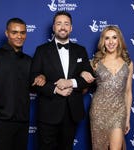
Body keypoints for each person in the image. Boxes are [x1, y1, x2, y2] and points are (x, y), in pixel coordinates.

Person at [0, 18, 45, 150]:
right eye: (14, 32)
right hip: (2, 122)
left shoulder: (29, 61)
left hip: (23, 123)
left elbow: (33, 88)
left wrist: (41, 77)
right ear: (7, 33)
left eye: (22, 33)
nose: (19, 36)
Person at [31, 11, 95, 150]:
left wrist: (70, 82)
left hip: (72, 113)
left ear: (71, 28)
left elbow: (89, 79)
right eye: (59, 23)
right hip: (48, 112)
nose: (63, 27)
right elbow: (33, 80)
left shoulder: (80, 50)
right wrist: (55, 89)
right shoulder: (41, 50)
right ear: (53, 27)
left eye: (66, 24)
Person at [81, 25, 133, 150]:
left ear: (119, 40)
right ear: (102, 41)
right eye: (107, 38)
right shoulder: (95, 63)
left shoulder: (128, 63)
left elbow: (128, 92)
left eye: (114, 38)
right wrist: (82, 73)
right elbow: (83, 88)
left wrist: (127, 119)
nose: (111, 42)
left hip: (119, 111)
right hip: (99, 111)